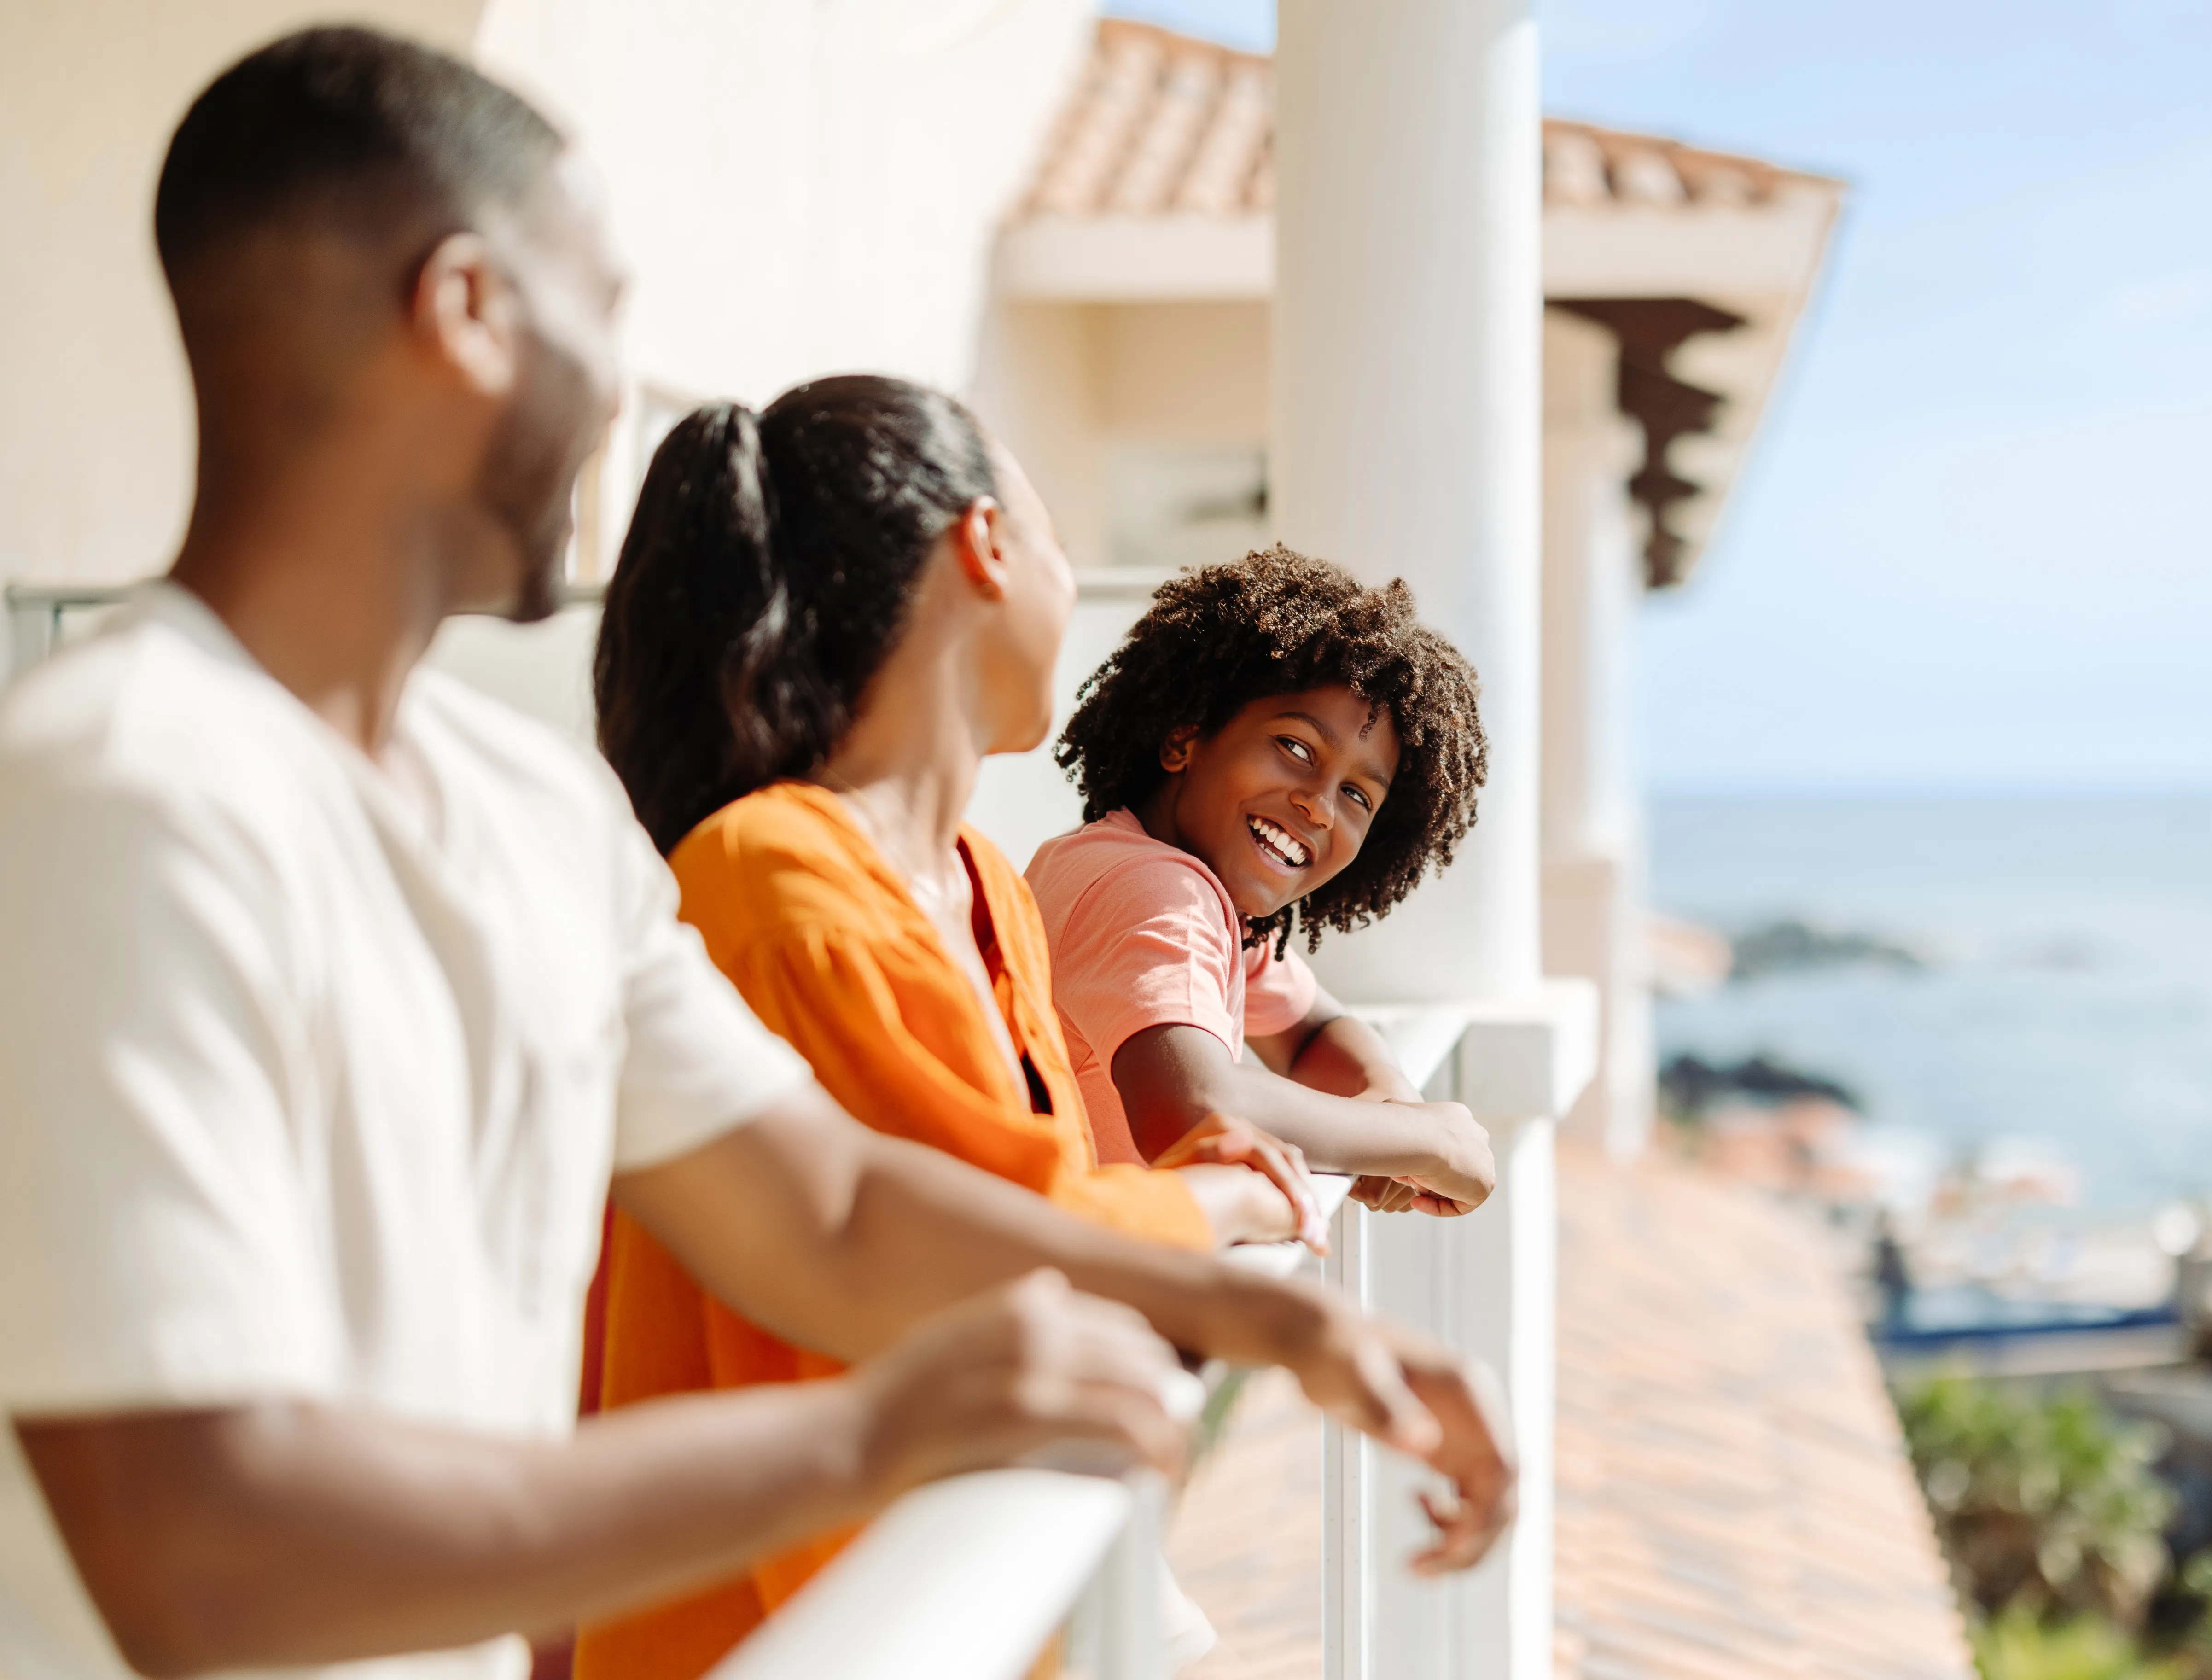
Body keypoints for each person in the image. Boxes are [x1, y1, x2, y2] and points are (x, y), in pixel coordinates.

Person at [0, 29, 1512, 1680]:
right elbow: (192, 1557)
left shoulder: (529, 817)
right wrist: (865, 1440)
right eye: (606, 306)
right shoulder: (119, 790)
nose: (628, 402)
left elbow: (842, 1206)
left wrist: (1274, 1308)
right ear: (469, 311)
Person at [576, 376, 1322, 1679]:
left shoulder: (988, 885)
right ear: (983, 546)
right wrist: (1234, 1208)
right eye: (1053, 542)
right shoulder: (771, 880)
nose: (1073, 583)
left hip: (952, 1595)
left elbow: (1033, 1200)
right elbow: (970, 1230)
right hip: (787, 1630)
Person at [1027, 547, 1499, 1215]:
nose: (1320, 806)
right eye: (1297, 748)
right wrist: (1422, 1140)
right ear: (1183, 739)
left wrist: (1388, 1102)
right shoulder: (1154, 890)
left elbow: (1312, 1032)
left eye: (1359, 796)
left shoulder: (1184, 889)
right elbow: (1195, 1110)